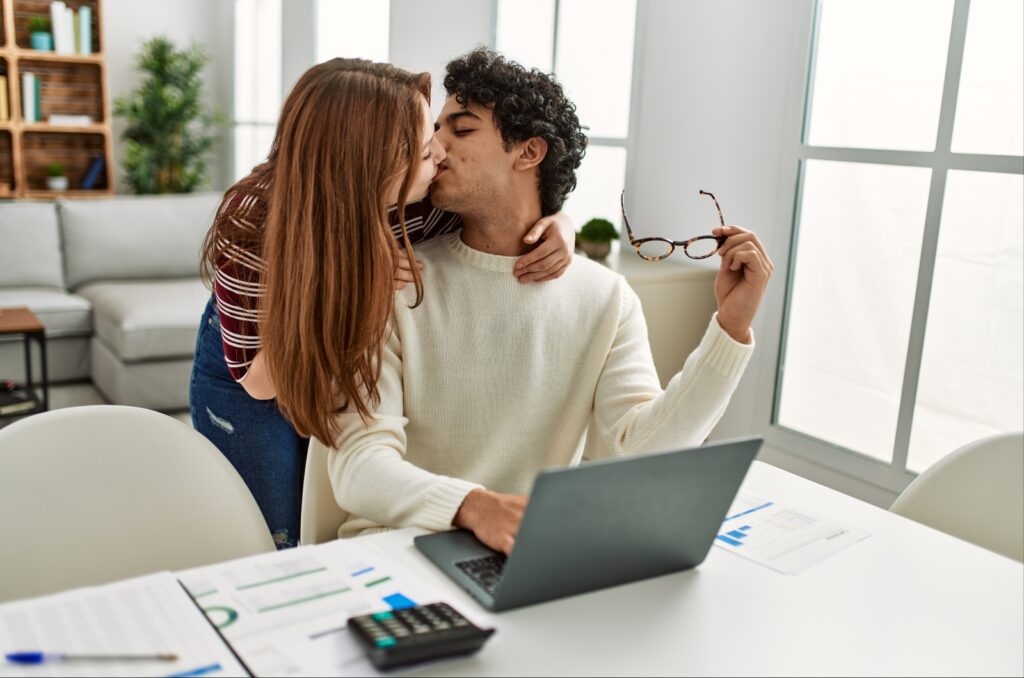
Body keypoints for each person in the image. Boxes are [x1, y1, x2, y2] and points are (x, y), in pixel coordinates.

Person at [325, 48, 774, 554]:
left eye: (462, 129)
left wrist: (730, 329)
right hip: (396, 552)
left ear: (528, 153)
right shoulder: (391, 279)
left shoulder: (605, 297)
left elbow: (644, 449)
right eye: (436, 128)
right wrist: (476, 506)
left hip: (521, 555)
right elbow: (360, 467)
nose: (435, 145)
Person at [190, 58, 577, 549]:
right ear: (367, 166)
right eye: (423, 147)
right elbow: (266, 383)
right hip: (259, 369)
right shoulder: (255, 223)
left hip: (338, 347)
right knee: (273, 538)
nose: (438, 154)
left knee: (322, 526)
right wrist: (356, 278)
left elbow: (507, 203)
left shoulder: (422, 203)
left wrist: (563, 223)